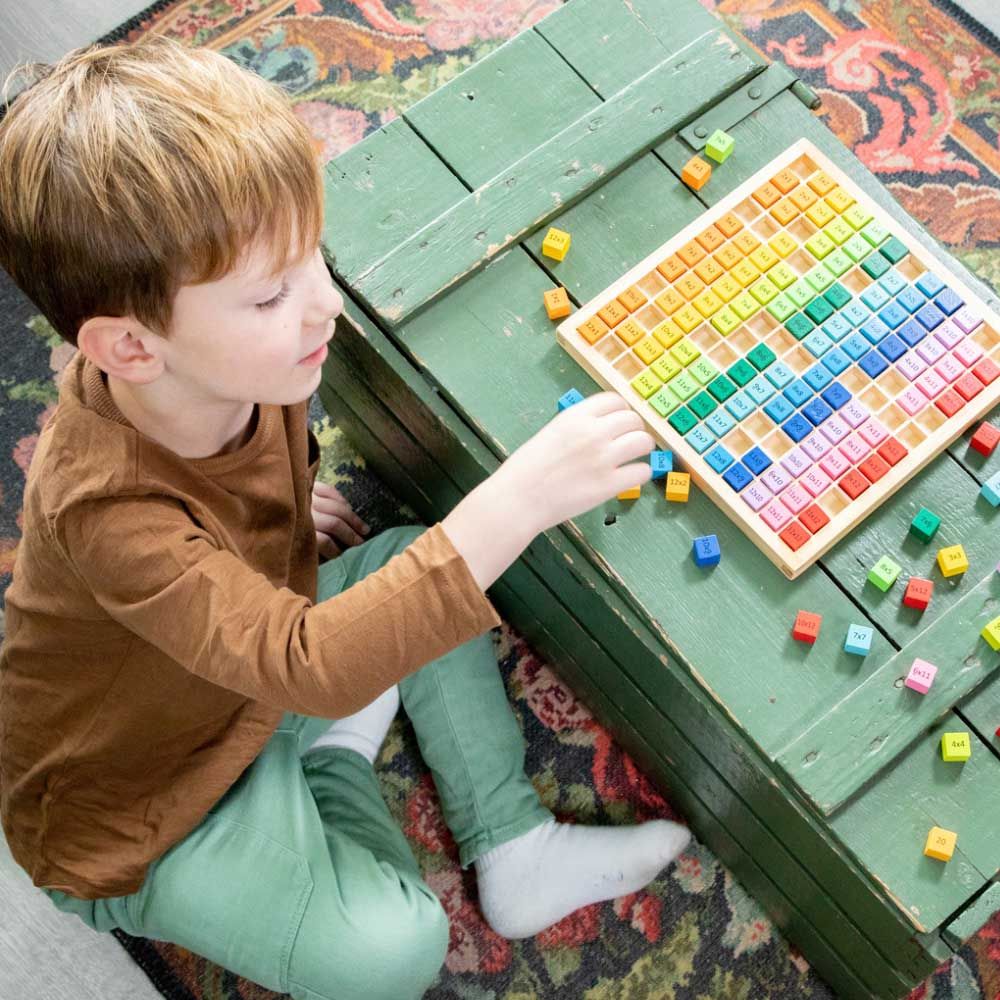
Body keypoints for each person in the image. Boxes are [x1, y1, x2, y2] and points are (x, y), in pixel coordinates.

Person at [0, 35, 690, 1000]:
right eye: (274, 293)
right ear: (131, 347)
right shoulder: (107, 511)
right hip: (147, 809)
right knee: (390, 953)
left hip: (249, 675)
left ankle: (513, 843)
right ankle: (332, 760)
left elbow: (260, 563)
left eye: (311, 257)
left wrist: (264, 528)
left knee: (414, 566)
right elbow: (306, 659)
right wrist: (522, 496)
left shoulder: (240, 359)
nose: (323, 304)